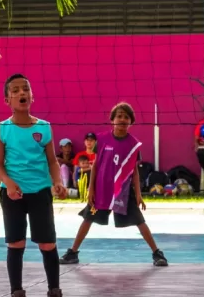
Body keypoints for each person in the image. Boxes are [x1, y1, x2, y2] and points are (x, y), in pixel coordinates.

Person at [0, 73, 71, 297]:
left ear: (31, 96)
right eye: (15, 90)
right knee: (16, 244)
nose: (21, 93)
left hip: (40, 192)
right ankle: (17, 296)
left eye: (25, 88)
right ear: (7, 99)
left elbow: (52, 161)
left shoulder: (43, 127)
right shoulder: (2, 129)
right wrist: (9, 183)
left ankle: (54, 295)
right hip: (13, 194)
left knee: (48, 244)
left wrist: (58, 182)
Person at [61, 103, 169, 267]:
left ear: (130, 122)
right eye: (119, 116)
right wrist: (91, 189)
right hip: (102, 190)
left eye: (126, 117)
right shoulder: (102, 139)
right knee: (87, 219)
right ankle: (73, 252)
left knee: (140, 221)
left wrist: (138, 194)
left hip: (123, 191)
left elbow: (134, 171)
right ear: (112, 120)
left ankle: (157, 253)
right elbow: (96, 165)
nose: (122, 119)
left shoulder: (134, 144)